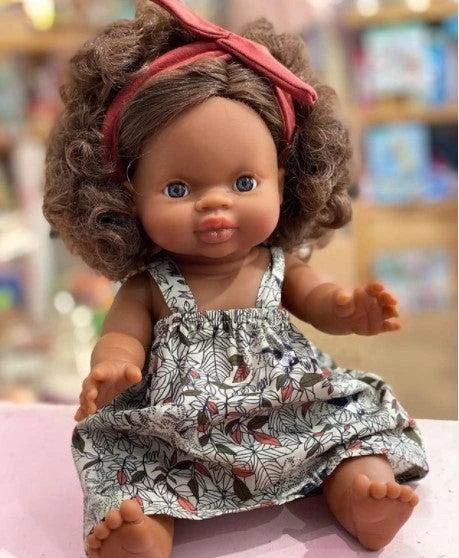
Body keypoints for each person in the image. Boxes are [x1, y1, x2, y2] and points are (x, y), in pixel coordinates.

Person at [43, 1, 428, 557]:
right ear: (127, 196)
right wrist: (113, 367)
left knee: (350, 426)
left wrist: (348, 309)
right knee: (129, 457)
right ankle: (144, 532)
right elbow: (122, 334)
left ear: (284, 181)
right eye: (178, 189)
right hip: (182, 427)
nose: (215, 204)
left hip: (291, 407)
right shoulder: (151, 285)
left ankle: (359, 495)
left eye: (244, 183)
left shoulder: (274, 265)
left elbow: (318, 298)